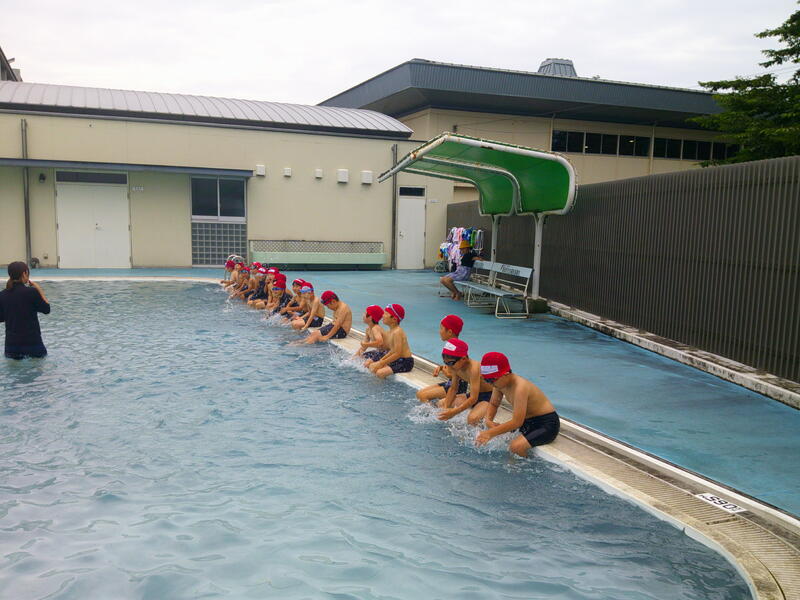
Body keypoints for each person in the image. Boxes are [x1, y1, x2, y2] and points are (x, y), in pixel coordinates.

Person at [475, 352, 560, 456]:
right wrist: (488, 420)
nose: (490, 383)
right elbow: (493, 404)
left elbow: (517, 422)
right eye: (486, 379)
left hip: (546, 424)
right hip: (527, 421)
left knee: (516, 447)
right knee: (502, 438)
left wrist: (490, 433)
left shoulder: (520, 388)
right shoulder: (499, 384)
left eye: (491, 379)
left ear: (506, 374)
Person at [435, 339, 494, 424]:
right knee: (441, 404)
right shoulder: (456, 367)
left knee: (472, 419)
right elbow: (453, 389)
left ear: (463, 359)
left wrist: (454, 412)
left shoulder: (474, 369)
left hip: (489, 397)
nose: (448, 367)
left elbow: (473, 398)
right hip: (473, 395)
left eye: (451, 363)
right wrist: (445, 408)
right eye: (446, 363)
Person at [0, 261, 51, 359]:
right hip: (33, 343)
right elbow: (46, 309)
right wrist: (39, 289)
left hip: (12, 345)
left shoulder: (2, 295)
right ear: (24, 273)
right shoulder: (32, 292)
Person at [416, 314, 466, 403]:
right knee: (420, 393)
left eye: (441, 328)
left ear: (449, 332)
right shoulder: (450, 346)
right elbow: (452, 367)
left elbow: (459, 373)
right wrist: (441, 368)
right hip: (450, 383)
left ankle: (432, 411)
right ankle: (432, 409)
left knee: (423, 396)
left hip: (458, 387)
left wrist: (446, 373)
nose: (439, 331)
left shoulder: (456, 348)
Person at [367, 304, 413, 378]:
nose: (383, 315)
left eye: (385, 314)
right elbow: (392, 351)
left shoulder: (397, 332)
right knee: (373, 367)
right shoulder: (390, 331)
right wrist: (380, 361)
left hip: (405, 362)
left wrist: (381, 363)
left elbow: (397, 353)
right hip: (398, 359)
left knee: (380, 373)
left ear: (394, 319)